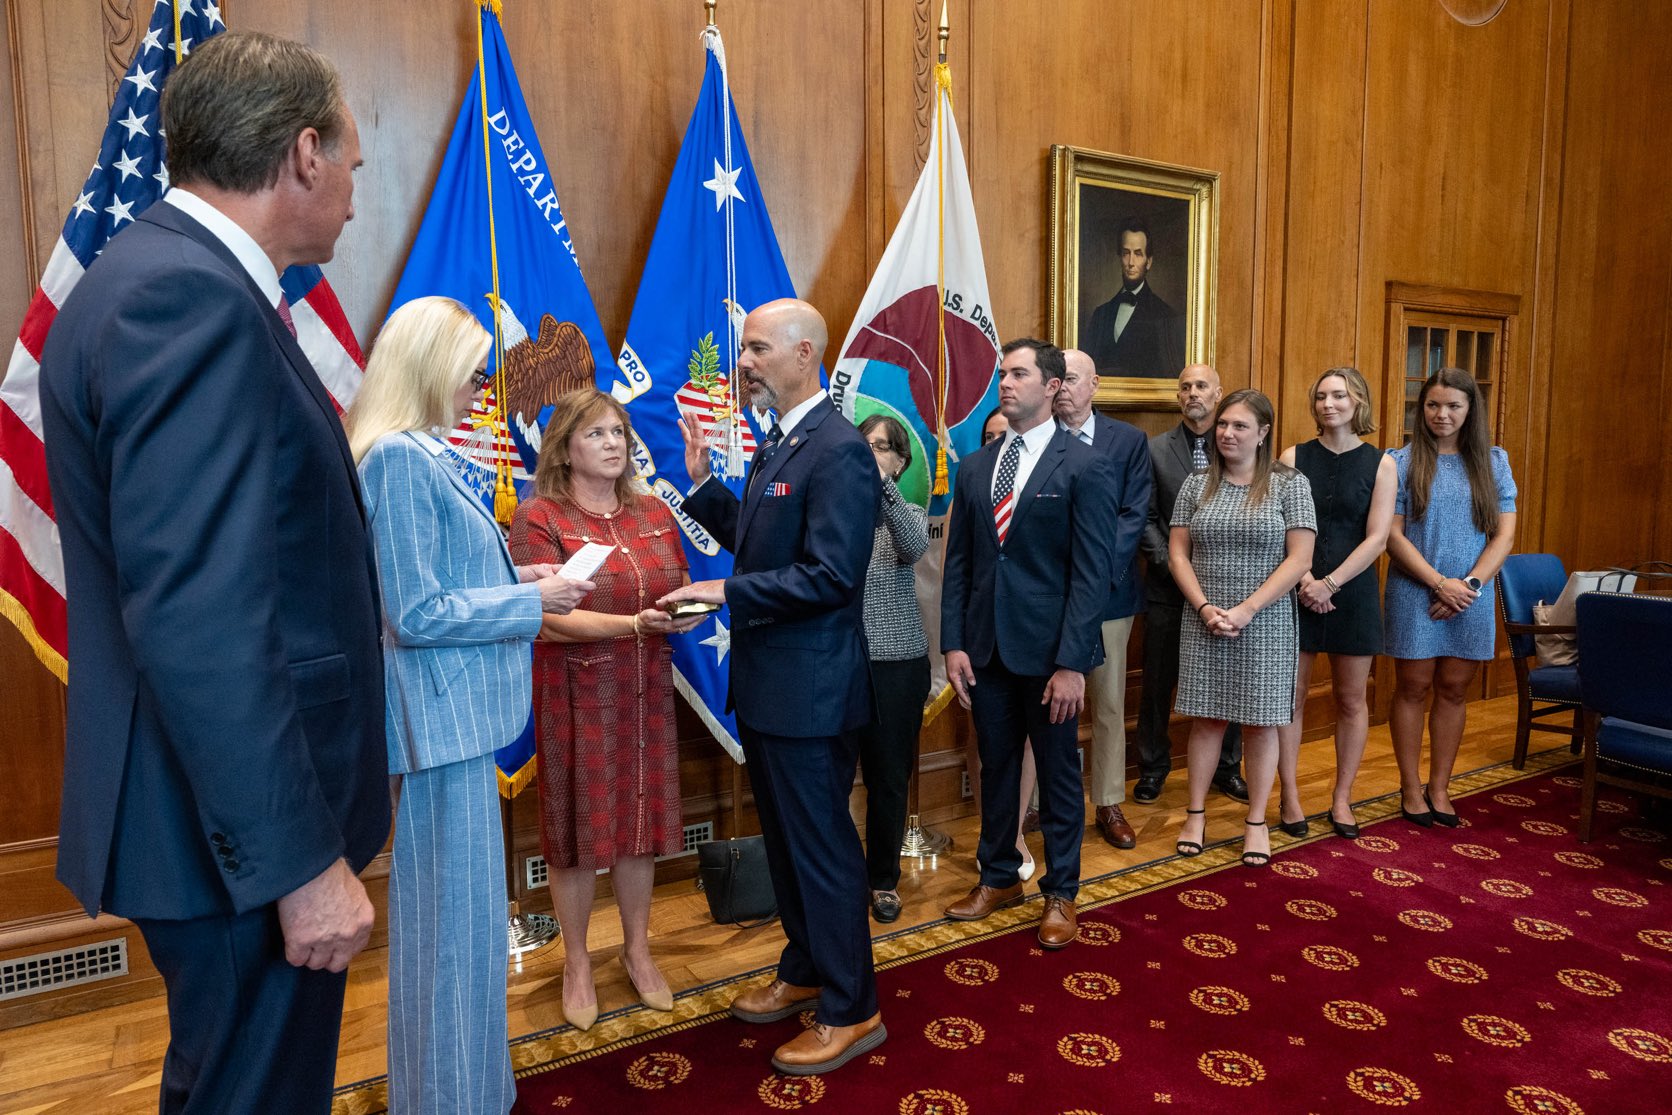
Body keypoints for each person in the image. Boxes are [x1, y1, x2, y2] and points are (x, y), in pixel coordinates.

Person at [37, 32, 382, 1114]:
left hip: (210, 820)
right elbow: (202, 614)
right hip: (232, 838)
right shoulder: (186, 301)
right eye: (356, 172)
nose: (355, 205)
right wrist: (297, 863)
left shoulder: (149, 278)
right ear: (305, 153)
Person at [348, 297, 590, 1113]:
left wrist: (522, 582)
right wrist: (537, 603)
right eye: (473, 370)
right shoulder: (400, 460)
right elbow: (414, 613)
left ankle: (461, 1090)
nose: (482, 387)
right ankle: (451, 1099)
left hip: (456, 723)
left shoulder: (419, 453)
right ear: (429, 366)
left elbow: (441, 584)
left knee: (467, 930)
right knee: (453, 937)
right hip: (440, 726)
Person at [660, 298, 884, 1076]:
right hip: (770, 688)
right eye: (742, 348)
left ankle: (853, 1008)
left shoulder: (840, 449)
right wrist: (705, 489)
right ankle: (804, 965)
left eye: (755, 348)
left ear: (804, 354)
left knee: (821, 849)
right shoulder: (778, 443)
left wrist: (727, 593)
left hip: (813, 692)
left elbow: (830, 575)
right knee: (789, 848)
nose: (742, 362)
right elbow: (766, 545)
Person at [508, 389, 705, 1029]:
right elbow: (544, 615)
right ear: (563, 448)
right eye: (595, 434)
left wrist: (691, 607)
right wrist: (634, 623)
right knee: (575, 832)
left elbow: (672, 588)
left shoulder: (651, 511)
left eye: (618, 431)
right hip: (575, 691)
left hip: (646, 687)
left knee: (639, 826)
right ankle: (577, 962)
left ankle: (639, 952)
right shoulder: (539, 516)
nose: (614, 443)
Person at [940, 338, 1117, 949]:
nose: (1006, 384)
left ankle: (1061, 893)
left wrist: (1072, 662)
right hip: (985, 650)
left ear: (1052, 385)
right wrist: (954, 644)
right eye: (1002, 374)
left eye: (1019, 374)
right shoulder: (974, 466)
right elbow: (958, 562)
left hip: (1050, 657)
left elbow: (1093, 574)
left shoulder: (1086, 465)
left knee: (1060, 775)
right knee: (997, 768)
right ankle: (999, 878)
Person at [1170, 390, 1315, 868]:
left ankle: (1256, 820)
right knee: (1207, 718)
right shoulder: (1196, 484)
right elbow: (1178, 553)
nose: (1227, 434)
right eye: (1223, 425)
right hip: (1204, 619)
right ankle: (1196, 815)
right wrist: (1206, 606)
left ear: (1264, 433)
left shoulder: (1289, 485)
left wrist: (1248, 609)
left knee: (1260, 722)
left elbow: (1300, 559)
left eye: (1239, 426)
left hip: (1266, 621)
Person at [1384, 368, 1517, 828]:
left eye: (1453, 406)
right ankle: (1408, 786)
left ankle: (1439, 786)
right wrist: (1440, 584)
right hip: (1414, 589)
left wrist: (1470, 587)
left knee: (1454, 688)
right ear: (1421, 409)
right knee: (1413, 687)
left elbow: (1503, 536)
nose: (1442, 414)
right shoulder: (1399, 462)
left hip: (1472, 595)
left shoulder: (1494, 462)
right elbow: (1392, 536)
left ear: (1469, 410)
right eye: (1433, 405)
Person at [1274, 369, 1397, 840]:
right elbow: (1280, 526)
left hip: (1353, 593)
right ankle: (1290, 796)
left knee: (1350, 700)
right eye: (1321, 395)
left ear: (1358, 401)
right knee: (1291, 699)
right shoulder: (1293, 457)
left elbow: (1378, 538)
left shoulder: (1381, 463)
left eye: (1339, 395)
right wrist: (1305, 579)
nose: (1329, 403)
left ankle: (1342, 798)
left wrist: (1329, 583)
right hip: (1294, 589)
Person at [1134, 365, 1247, 804]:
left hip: (1230, 592)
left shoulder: (1237, 446)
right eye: (1185, 387)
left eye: (1201, 386)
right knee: (1158, 683)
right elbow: (1143, 518)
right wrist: (1177, 569)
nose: (1193, 393)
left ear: (1219, 392)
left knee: (1231, 680)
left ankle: (1227, 767)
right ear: (1178, 398)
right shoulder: (1154, 450)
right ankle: (1153, 768)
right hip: (1167, 589)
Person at [1056, 349, 1152, 849]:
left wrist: (1090, 579)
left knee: (1109, 702)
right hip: (1049, 596)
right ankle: (1040, 802)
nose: (1063, 388)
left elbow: (1133, 515)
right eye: (1058, 379)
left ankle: (1109, 800)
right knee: (1049, 702)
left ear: (1095, 384)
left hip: (1109, 595)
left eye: (1072, 379)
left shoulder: (1128, 441)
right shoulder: (1037, 436)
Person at [853, 415, 931, 923]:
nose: (867, 451)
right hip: (836, 662)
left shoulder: (910, 510)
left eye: (878, 447)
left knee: (886, 778)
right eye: (861, 444)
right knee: (832, 777)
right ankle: (836, 876)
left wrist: (880, 484)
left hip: (896, 665)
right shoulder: (834, 509)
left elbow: (914, 545)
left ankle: (882, 880)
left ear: (899, 462)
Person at [1083, 218, 1186, 377]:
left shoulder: (1167, 316)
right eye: (1126, 253)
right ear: (1119, 258)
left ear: (1149, 262)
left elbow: (1170, 376)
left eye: (1138, 254)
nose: (1131, 262)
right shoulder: (1100, 315)